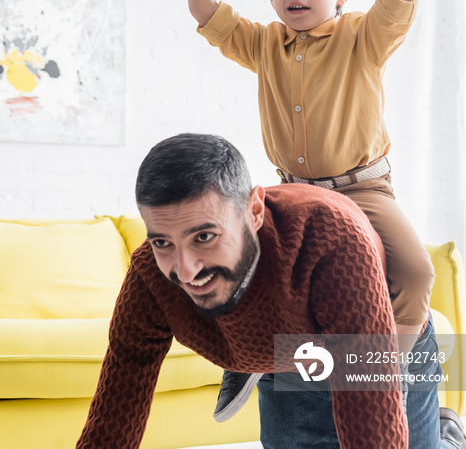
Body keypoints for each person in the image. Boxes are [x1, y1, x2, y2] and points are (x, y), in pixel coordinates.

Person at [186, 0, 435, 418]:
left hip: (362, 187)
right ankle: (244, 359)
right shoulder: (263, 44)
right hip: (292, 193)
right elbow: (204, 8)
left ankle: (380, 380)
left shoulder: (362, 37)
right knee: (240, 260)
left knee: (415, 272)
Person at [75, 133, 465, 449]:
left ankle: (445, 436)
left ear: (254, 210)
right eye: (163, 242)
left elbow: (371, 421)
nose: (186, 269)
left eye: (205, 236)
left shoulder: (330, 239)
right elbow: (115, 410)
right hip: (283, 351)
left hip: (381, 338)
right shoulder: (151, 273)